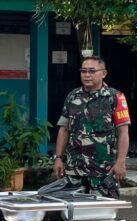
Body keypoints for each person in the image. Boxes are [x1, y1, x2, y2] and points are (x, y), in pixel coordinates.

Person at [53, 56, 131, 198]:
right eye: (83, 71)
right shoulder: (73, 96)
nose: (87, 75)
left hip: (102, 170)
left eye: (91, 71)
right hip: (74, 170)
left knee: (103, 214)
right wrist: (58, 157)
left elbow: (123, 132)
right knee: (73, 214)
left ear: (103, 73)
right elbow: (64, 129)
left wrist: (121, 161)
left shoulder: (115, 97)